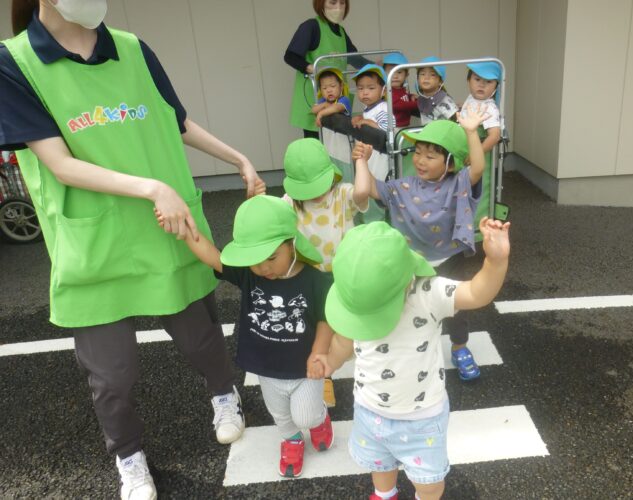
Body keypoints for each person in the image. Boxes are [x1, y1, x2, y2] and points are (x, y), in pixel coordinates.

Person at [1, 2, 261, 498]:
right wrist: (151, 188)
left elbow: (176, 121)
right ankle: (128, 455)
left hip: (168, 229)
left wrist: (237, 158)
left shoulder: (133, 48)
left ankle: (224, 394)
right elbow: (60, 164)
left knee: (202, 339)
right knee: (112, 375)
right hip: (95, 243)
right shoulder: (15, 61)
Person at [315, 219, 511, 500]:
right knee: (380, 466)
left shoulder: (428, 294)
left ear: (408, 279)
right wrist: (330, 362)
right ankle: (385, 495)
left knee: (429, 483)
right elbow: (344, 340)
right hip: (370, 408)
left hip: (422, 418)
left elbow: (475, 293)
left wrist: (495, 261)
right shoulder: (356, 301)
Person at [169, 195, 335, 479]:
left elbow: (325, 318)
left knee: (306, 414)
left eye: (271, 257)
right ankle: (292, 439)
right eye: (255, 261)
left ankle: (319, 418)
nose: (264, 268)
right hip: (266, 366)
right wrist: (185, 232)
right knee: (280, 414)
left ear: (291, 243)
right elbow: (213, 257)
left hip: (306, 368)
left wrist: (319, 352)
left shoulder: (315, 280)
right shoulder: (250, 275)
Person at [359, 106, 490, 381]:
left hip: (450, 258)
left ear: (450, 163)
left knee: (456, 307)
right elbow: (373, 189)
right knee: (408, 306)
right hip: (413, 261)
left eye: (431, 156)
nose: (420, 160)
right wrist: (362, 161)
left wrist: (470, 132)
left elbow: (478, 167)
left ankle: (459, 347)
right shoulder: (405, 186)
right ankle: (409, 349)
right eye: (418, 152)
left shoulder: (459, 183)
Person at [281, 137, 370, 406]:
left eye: (319, 185)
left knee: (351, 324)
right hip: (310, 276)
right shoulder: (290, 202)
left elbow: (363, 192)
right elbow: (271, 220)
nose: (316, 193)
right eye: (308, 189)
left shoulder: (341, 194)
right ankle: (324, 377)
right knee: (317, 329)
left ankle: (369, 371)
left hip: (343, 273)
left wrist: (361, 161)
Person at [285, 0, 369, 138]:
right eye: (332, 3)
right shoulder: (311, 27)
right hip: (315, 97)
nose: (338, 8)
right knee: (316, 144)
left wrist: (379, 67)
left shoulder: (341, 32)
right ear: (321, 4)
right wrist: (312, 68)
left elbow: (355, 59)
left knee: (337, 145)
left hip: (337, 100)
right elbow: (290, 56)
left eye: (342, 3)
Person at [461, 61, 503, 240]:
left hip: (474, 161)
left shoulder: (489, 107)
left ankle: (472, 232)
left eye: (488, 82)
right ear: (468, 81)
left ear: (496, 86)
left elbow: (494, 135)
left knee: (471, 196)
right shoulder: (472, 99)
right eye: (477, 79)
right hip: (464, 155)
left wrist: (475, 155)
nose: (481, 85)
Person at [416, 57, 459, 124]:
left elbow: (457, 122)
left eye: (432, 75)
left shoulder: (445, 101)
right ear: (418, 79)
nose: (426, 78)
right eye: (423, 74)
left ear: (440, 81)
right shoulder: (421, 99)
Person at [383, 52, 417, 129]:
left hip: (404, 125)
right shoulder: (387, 91)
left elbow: (402, 97)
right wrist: (419, 103)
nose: (395, 76)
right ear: (384, 74)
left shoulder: (401, 88)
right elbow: (400, 105)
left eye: (399, 72)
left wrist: (410, 96)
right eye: (390, 72)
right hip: (394, 127)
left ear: (406, 75)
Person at [351, 64, 388, 132]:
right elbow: (372, 117)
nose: (365, 92)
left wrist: (367, 122)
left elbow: (388, 129)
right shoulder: (370, 106)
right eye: (361, 88)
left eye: (371, 88)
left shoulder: (382, 109)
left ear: (384, 91)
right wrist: (361, 117)